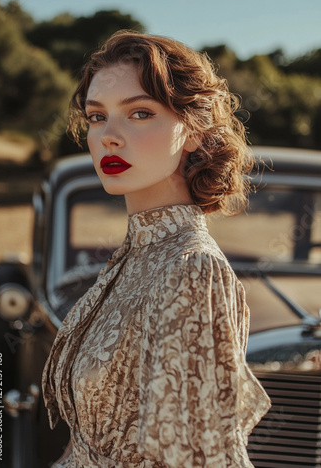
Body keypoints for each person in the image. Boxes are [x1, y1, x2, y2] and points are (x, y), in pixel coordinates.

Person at [42, 30, 271, 468]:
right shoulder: (136, 255)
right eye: (96, 116)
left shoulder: (193, 269)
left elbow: (197, 459)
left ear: (192, 130)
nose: (109, 136)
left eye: (140, 113)